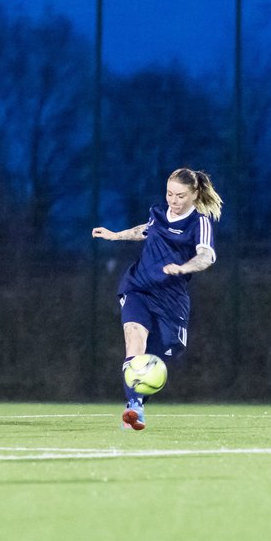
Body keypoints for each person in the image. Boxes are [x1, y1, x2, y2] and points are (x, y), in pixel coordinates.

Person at [91, 167, 222, 431]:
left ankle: (138, 400)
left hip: (171, 299)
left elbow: (206, 256)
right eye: (169, 194)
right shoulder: (158, 213)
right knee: (134, 340)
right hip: (138, 287)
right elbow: (146, 230)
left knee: (160, 357)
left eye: (180, 196)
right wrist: (115, 235)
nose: (173, 201)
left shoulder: (199, 223)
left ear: (195, 194)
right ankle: (134, 408)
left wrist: (185, 267)